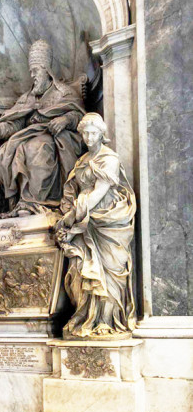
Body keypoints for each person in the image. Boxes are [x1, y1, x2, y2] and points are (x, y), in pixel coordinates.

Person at [0, 39, 86, 220]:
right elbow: (14, 125)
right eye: (31, 71)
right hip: (25, 137)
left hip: (52, 138)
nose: (32, 75)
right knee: (0, 154)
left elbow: (82, 118)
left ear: (46, 70)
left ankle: (35, 203)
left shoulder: (64, 93)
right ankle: (15, 204)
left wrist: (65, 119)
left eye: (35, 70)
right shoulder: (27, 98)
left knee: (36, 148)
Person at [55, 113, 137, 338]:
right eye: (85, 133)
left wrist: (71, 217)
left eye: (93, 133)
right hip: (84, 221)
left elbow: (98, 193)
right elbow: (75, 191)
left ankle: (107, 322)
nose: (89, 137)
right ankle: (88, 318)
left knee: (110, 271)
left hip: (107, 220)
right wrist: (69, 213)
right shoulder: (81, 161)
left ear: (102, 134)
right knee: (83, 271)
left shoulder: (109, 159)